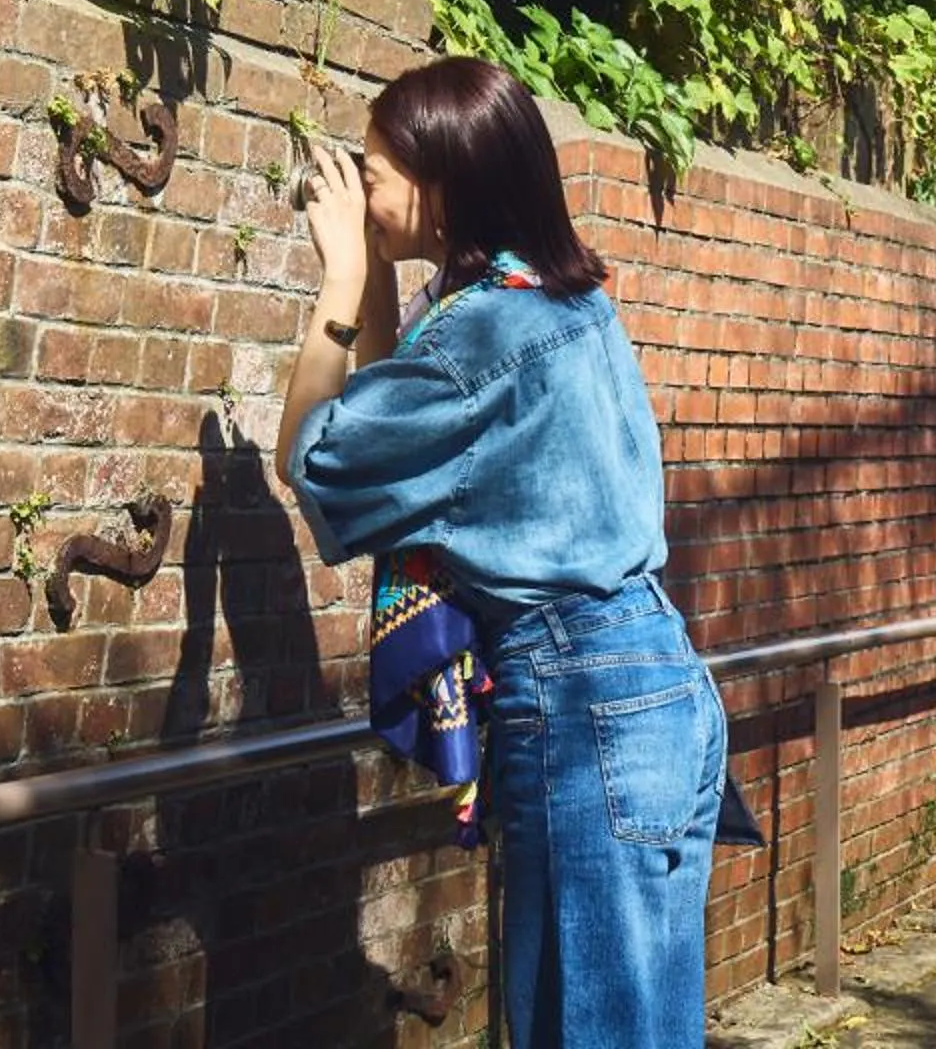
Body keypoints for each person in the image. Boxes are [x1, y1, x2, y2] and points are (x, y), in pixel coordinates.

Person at [279, 57, 724, 1048]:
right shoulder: (564, 299)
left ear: (445, 186)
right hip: (657, 682)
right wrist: (389, 273)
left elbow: (319, 454)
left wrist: (342, 282)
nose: (362, 189)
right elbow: (410, 415)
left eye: (376, 168)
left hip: (580, 700)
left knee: (586, 1030)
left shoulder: (481, 335)